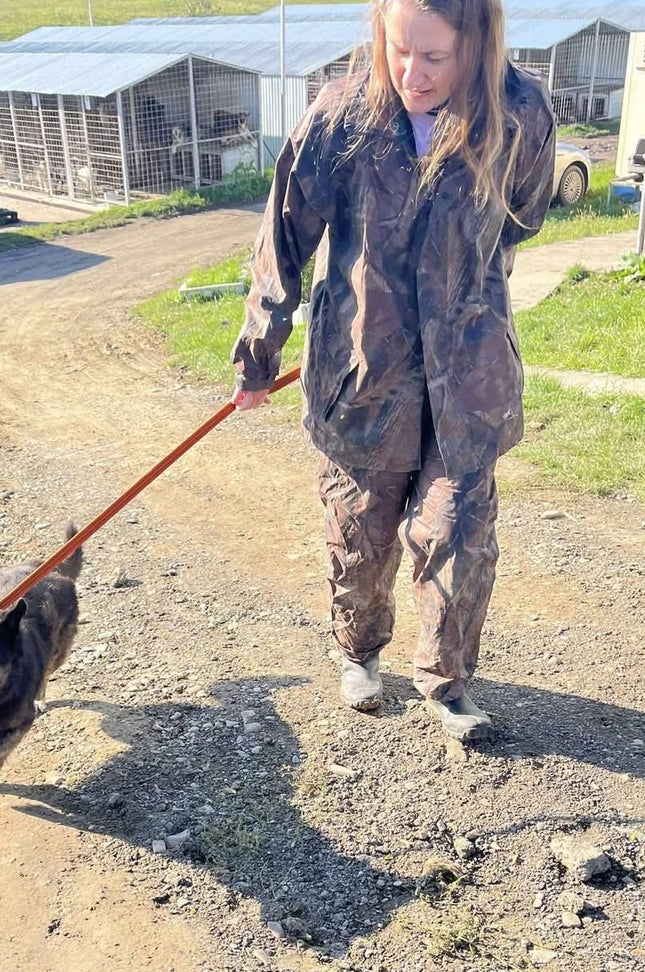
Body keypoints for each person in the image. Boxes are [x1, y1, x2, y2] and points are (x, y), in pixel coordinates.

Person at [231, 0, 555, 740]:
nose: (411, 73)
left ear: (479, 43)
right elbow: (283, 237)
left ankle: (447, 682)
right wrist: (259, 352)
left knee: (460, 530)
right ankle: (359, 653)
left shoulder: (522, 112)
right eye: (398, 49)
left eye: (435, 58)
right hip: (361, 374)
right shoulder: (342, 116)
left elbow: (522, 219)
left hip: (468, 377)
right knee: (360, 533)